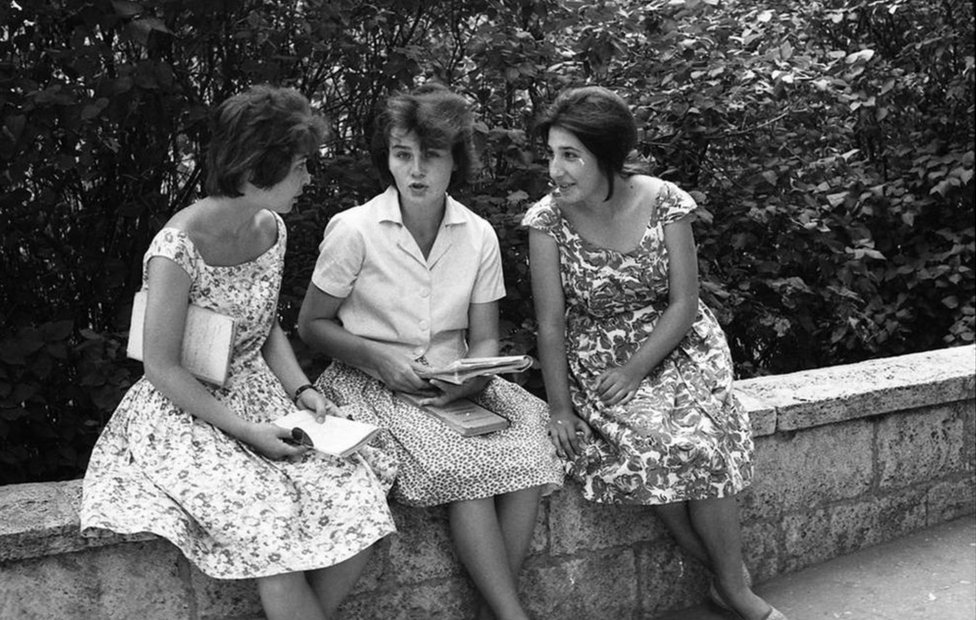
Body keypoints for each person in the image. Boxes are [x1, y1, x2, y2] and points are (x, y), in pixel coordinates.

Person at [80, 85, 397, 620]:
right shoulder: (175, 248)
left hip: (261, 397)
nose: (308, 178)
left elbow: (265, 324)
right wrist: (247, 432)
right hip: (186, 412)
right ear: (255, 169)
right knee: (271, 529)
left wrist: (302, 389)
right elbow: (160, 366)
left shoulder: (271, 227)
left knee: (362, 503)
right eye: (300, 166)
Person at [297, 83, 564, 620]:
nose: (416, 170)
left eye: (432, 156)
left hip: (456, 383)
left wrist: (474, 379)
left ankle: (495, 611)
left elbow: (483, 337)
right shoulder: (354, 230)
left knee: (533, 451)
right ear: (388, 159)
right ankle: (512, 615)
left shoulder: (477, 234)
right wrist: (380, 360)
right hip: (370, 383)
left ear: (456, 161)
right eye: (403, 155)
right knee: (466, 471)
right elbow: (311, 325)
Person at [522, 86, 787, 620]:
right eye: (551, 154)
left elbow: (684, 302)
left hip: (676, 346)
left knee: (703, 441)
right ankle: (728, 579)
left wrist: (636, 368)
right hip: (598, 357)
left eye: (570, 155)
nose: (555, 170)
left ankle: (733, 588)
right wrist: (560, 409)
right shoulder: (547, 222)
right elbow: (550, 323)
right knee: (649, 444)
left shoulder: (666, 201)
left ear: (608, 156)